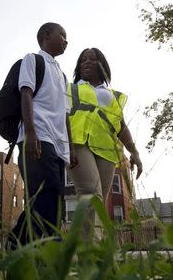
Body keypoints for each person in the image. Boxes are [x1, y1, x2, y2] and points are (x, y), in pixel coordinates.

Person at [10, 22, 75, 247]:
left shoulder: (63, 76)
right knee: (48, 195)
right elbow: (25, 94)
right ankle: (49, 252)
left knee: (46, 197)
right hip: (37, 138)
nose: (67, 41)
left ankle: (14, 244)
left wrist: (71, 148)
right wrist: (30, 133)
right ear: (47, 35)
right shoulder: (33, 60)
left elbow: (65, 114)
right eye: (63, 35)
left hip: (57, 146)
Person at [67, 47, 143, 241]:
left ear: (102, 64)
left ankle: (96, 252)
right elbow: (62, 117)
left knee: (99, 203)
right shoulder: (71, 89)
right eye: (83, 60)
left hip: (106, 151)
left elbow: (121, 127)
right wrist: (67, 147)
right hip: (78, 144)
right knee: (90, 195)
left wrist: (134, 152)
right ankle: (88, 254)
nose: (86, 62)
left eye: (92, 59)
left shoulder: (113, 96)